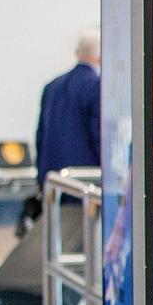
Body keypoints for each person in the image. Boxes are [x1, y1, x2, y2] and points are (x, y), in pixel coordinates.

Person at [35, 29, 101, 187]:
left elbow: (40, 137)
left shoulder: (52, 87)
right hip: (84, 183)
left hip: (53, 181)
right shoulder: (97, 87)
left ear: (77, 52)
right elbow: (99, 136)